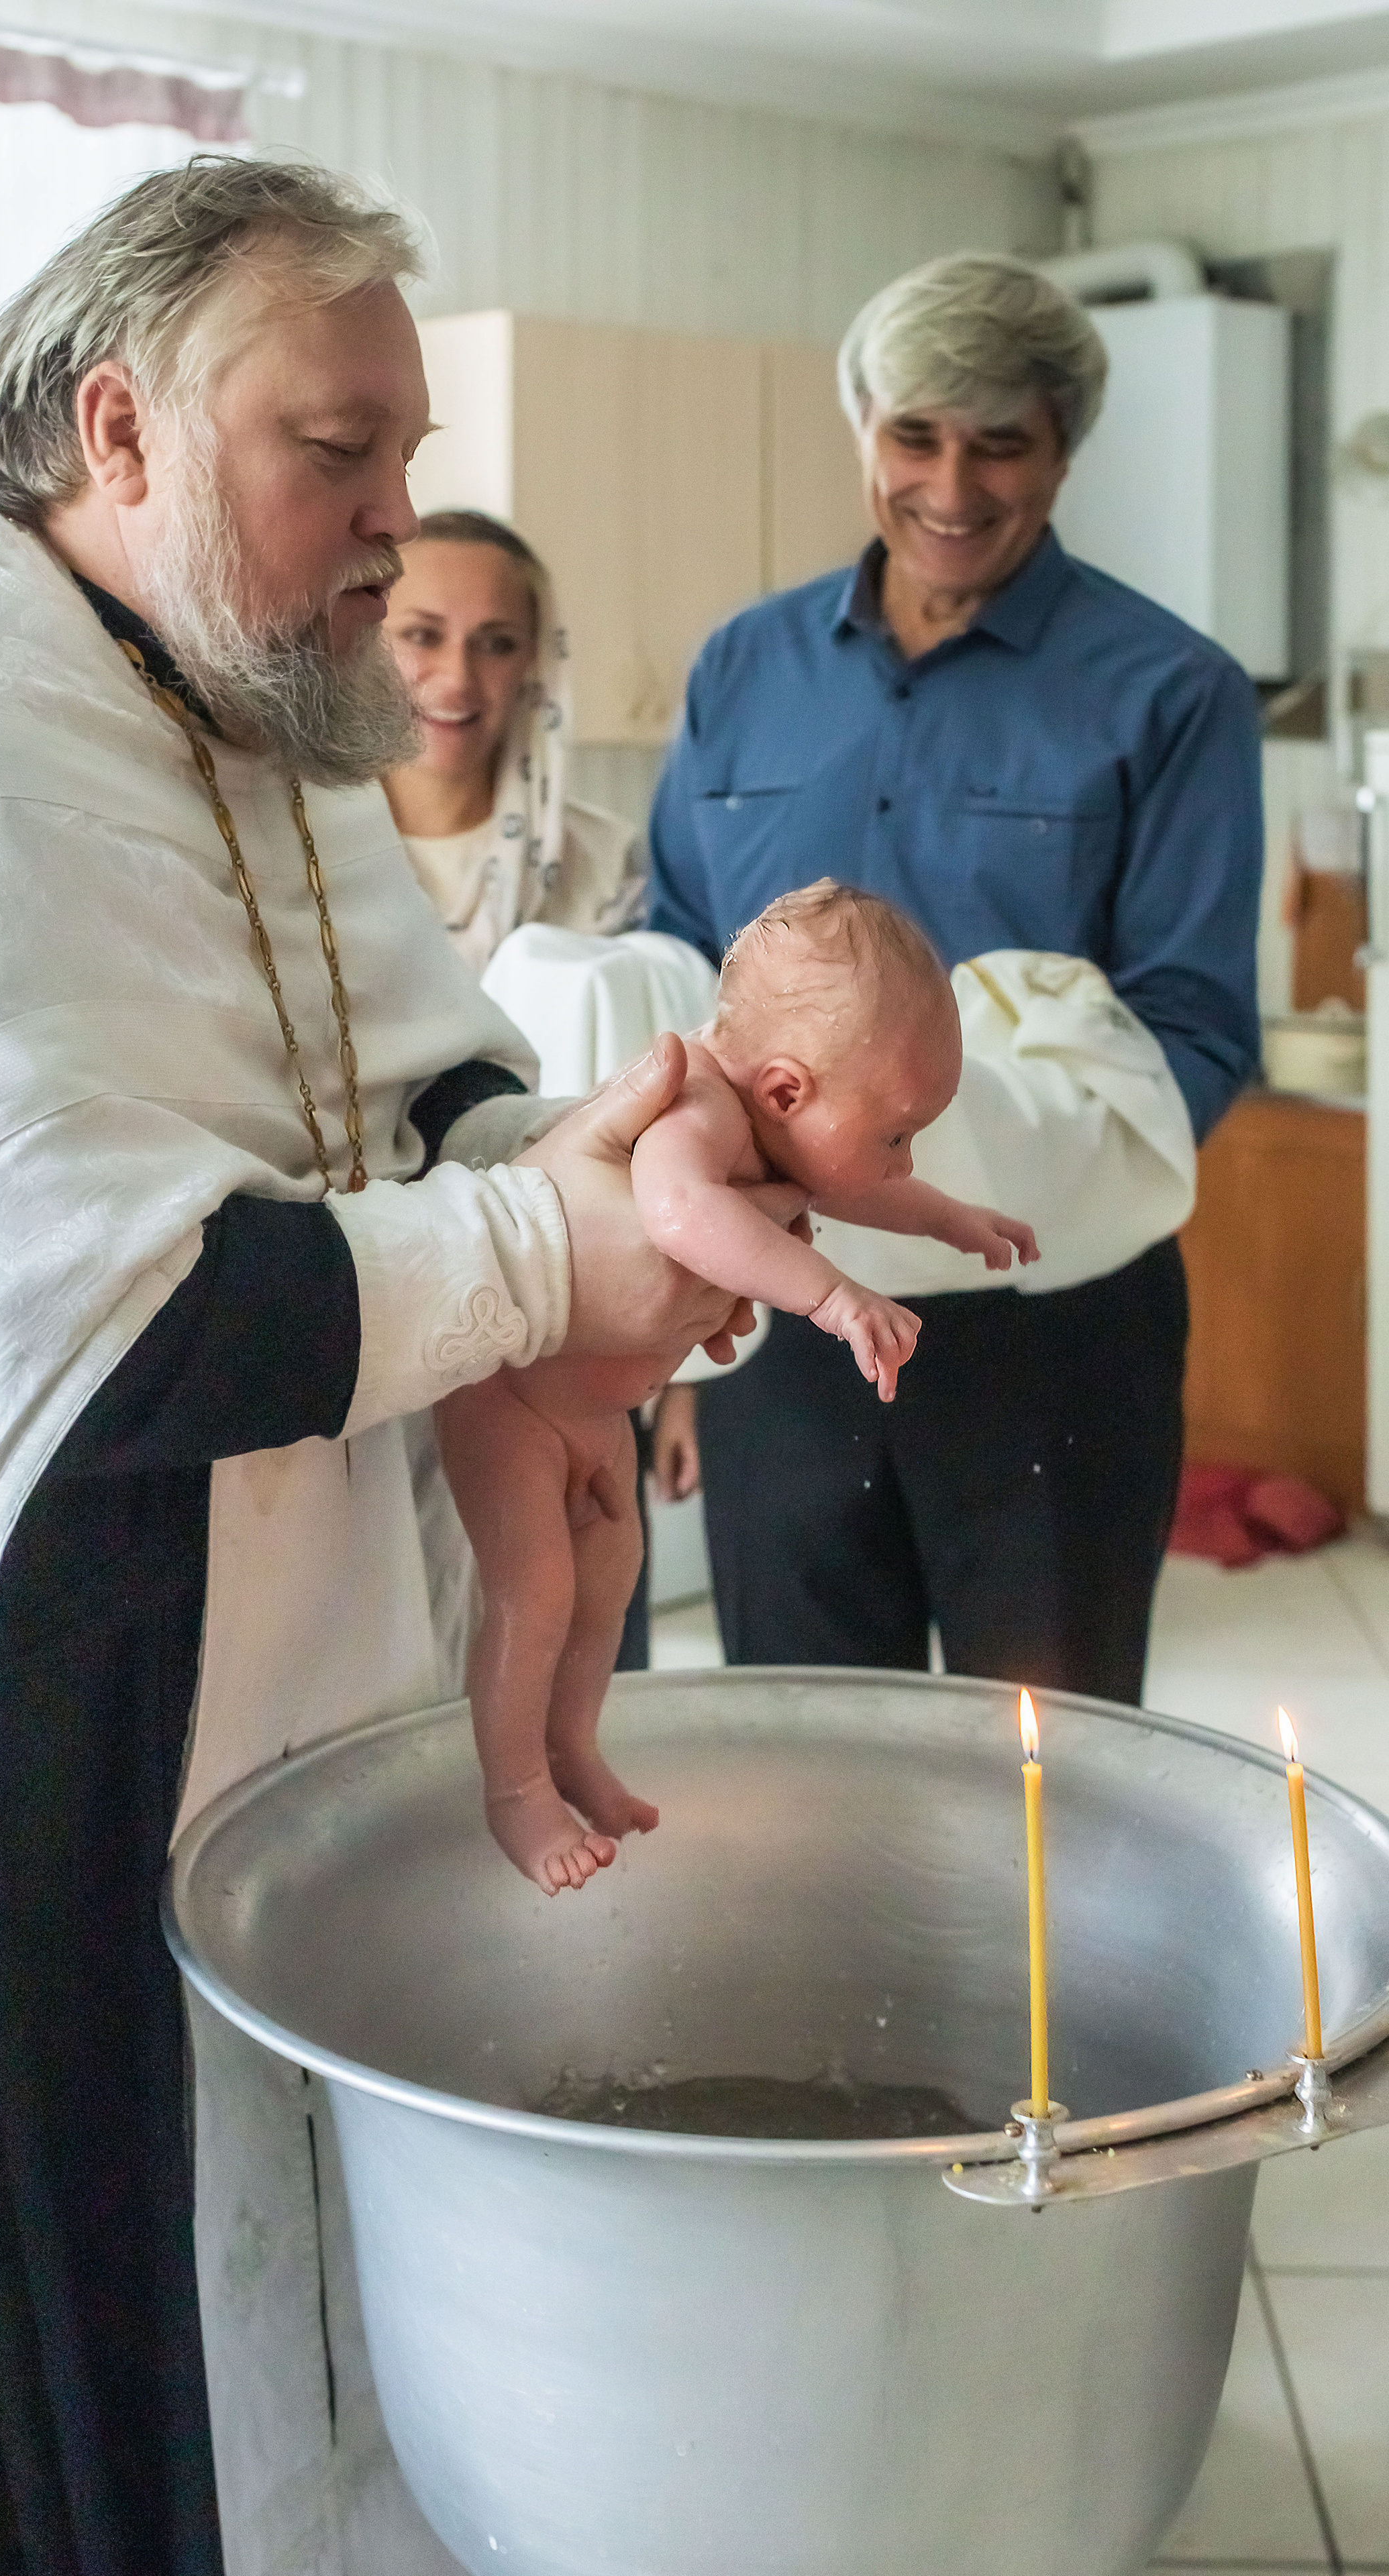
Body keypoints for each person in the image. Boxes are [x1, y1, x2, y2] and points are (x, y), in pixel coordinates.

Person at [0, 158, 750, 2576]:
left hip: (283, 1690)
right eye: (334, 452)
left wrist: (603, 1170)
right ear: (119, 427)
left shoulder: (218, 678)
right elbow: (31, 1305)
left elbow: (416, 1057)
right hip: (29, 1730)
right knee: (71, 2360)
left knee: (293, 2317)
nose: (396, 522)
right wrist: (532, 1248)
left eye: (400, 451)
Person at [650, 251, 1263, 1705]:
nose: (951, 484)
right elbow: (672, 969)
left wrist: (966, 1168)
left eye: (1000, 444)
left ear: (1060, 451)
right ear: (862, 428)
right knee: (804, 1750)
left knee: (1040, 1775)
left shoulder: (1170, 692)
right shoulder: (742, 670)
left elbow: (1187, 1033)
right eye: (914, 436)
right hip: (783, 1324)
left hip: (1044, 1318)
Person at [441, 879, 1037, 1896]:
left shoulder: (783, 1123)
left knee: (607, 1584)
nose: (908, 1156)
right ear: (788, 1090)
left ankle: (575, 1746)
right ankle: (515, 1793)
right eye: (899, 1132)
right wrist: (833, 1297)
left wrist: (949, 1220)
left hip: (592, 1411)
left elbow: (854, 1182)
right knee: (535, 1596)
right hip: (511, 1404)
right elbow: (676, 1215)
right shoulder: (696, 1106)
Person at [380, 508, 646, 971]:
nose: (458, 679)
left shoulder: (608, 867)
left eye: (497, 644)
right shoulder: (298, 853)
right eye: (422, 636)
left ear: (535, 664)